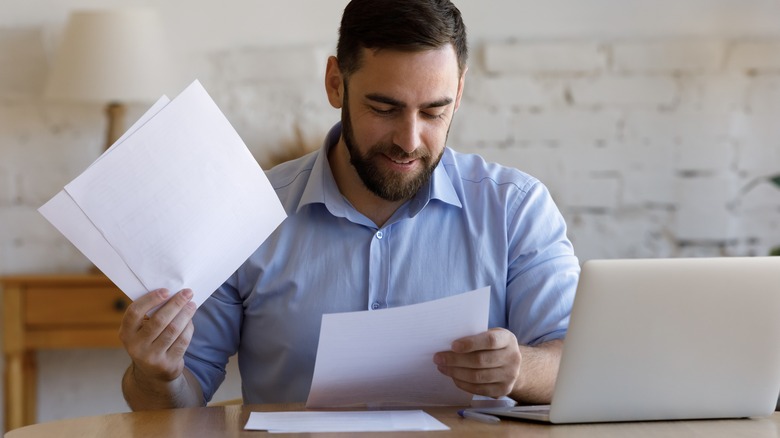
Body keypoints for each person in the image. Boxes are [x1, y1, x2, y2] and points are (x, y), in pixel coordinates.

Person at [120, 0, 580, 411]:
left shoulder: (516, 210)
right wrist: (155, 374)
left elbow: (577, 366)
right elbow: (176, 401)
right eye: (384, 108)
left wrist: (518, 371)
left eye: (434, 112)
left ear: (459, 93)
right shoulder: (248, 214)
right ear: (336, 84)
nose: (409, 140)